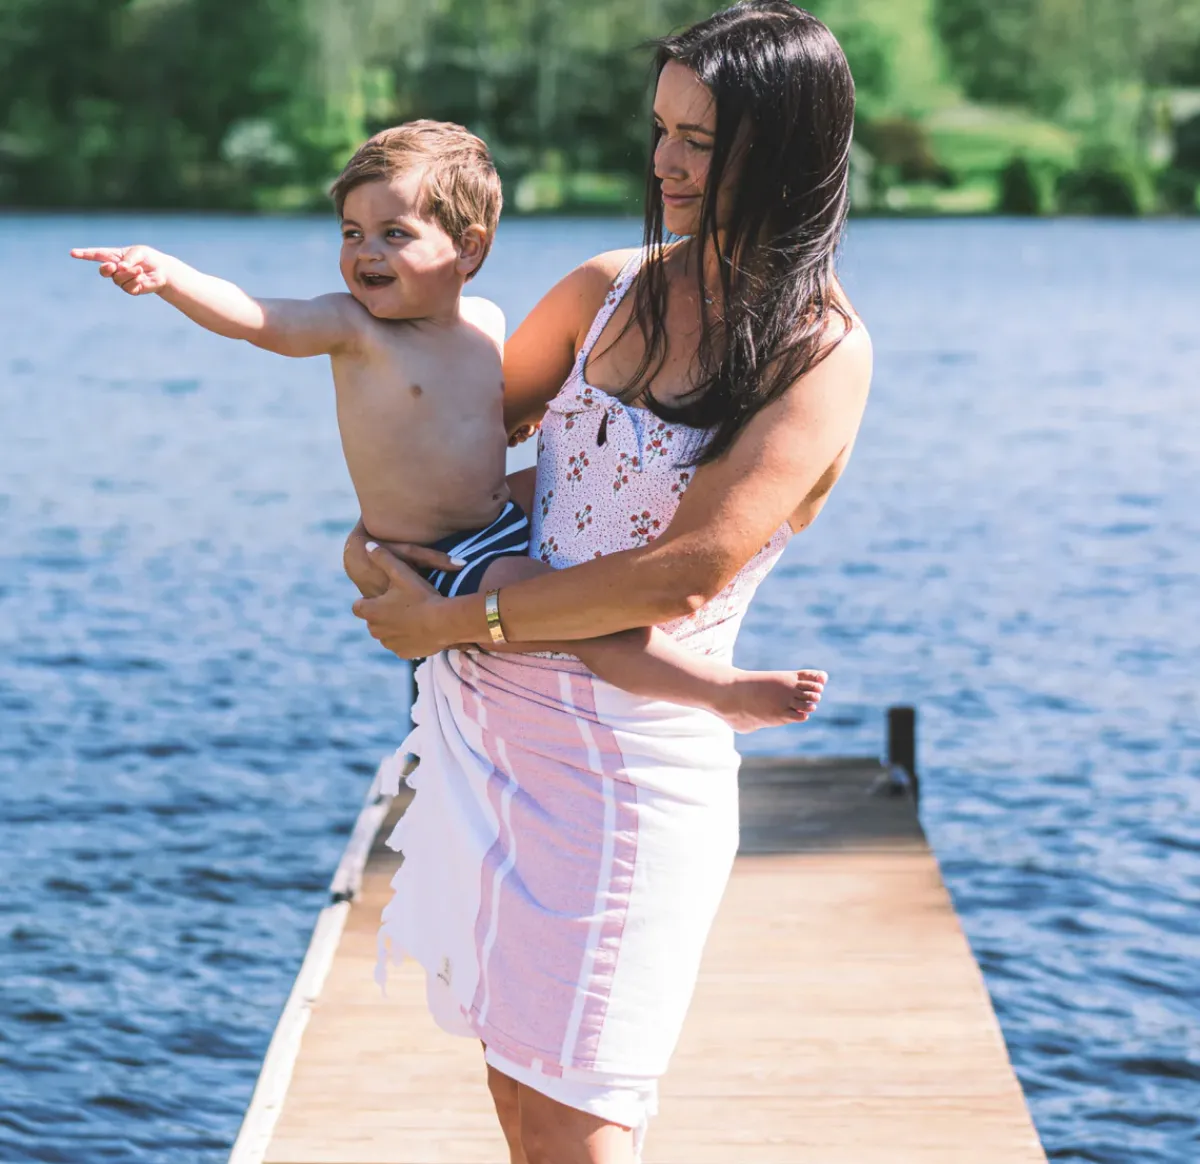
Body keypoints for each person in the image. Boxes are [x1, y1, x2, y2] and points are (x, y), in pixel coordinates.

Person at [344, 4, 872, 1162]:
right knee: (523, 1110)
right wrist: (387, 525)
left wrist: (453, 615)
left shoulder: (819, 352)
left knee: (576, 1128)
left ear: (785, 151)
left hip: (628, 773)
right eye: (661, 129)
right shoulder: (605, 289)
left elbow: (684, 574)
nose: (665, 163)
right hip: (488, 740)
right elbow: (459, 433)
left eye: (700, 139)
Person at [70, 121, 826, 733]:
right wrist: (169, 276)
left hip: (499, 522)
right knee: (587, 620)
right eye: (351, 232)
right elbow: (256, 318)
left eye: (393, 234)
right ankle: (719, 691)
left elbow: (518, 419)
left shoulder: (487, 325)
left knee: (588, 587)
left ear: (468, 248)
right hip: (439, 554)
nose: (365, 252)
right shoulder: (353, 329)